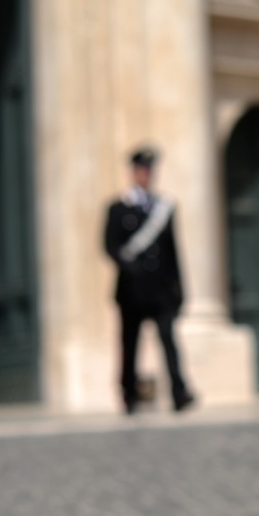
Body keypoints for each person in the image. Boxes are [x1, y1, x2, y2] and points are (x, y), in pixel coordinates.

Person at [103, 146, 196, 414]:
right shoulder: (118, 208)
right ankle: (129, 394)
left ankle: (180, 392)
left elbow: (173, 251)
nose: (146, 175)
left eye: (149, 170)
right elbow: (109, 246)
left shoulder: (163, 207)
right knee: (129, 344)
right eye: (142, 170)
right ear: (133, 173)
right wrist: (128, 265)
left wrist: (180, 289)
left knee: (168, 339)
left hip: (161, 289)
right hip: (132, 289)